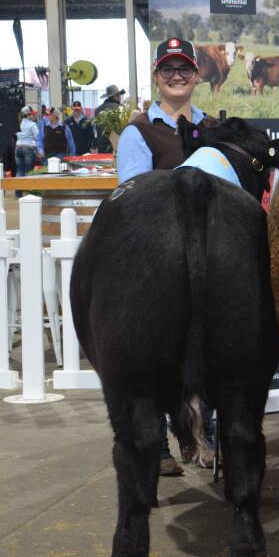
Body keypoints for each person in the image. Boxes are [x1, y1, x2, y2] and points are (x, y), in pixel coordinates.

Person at [114, 37, 217, 475]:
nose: (177, 77)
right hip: (159, 258)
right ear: (157, 76)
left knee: (205, 348)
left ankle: (200, 435)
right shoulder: (139, 132)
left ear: (197, 75)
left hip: (208, 254)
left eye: (185, 69)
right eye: (168, 70)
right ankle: (156, 444)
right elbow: (134, 197)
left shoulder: (211, 127)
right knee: (158, 353)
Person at [93, 84, 126, 153]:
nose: (120, 97)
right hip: (116, 144)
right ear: (115, 96)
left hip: (101, 145)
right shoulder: (120, 108)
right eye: (119, 95)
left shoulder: (98, 110)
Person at [13, 105, 43, 177]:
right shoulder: (32, 124)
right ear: (27, 115)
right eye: (32, 114)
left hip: (18, 147)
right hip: (29, 148)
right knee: (29, 172)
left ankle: (19, 188)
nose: (34, 115)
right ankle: (28, 188)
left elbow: (16, 135)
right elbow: (37, 137)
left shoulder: (18, 124)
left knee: (19, 171)